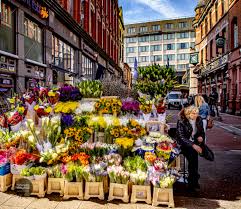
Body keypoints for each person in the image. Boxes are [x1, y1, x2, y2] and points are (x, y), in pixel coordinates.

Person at [176, 106, 205, 192]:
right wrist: (193, 145)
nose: (196, 115)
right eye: (194, 113)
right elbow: (181, 137)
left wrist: (201, 137)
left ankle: (193, 180)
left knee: (195, 155)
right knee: (193, 154)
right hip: (183, 144)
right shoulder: (182, 121)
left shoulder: (199, 120)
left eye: (197, 113)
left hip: (194, 144)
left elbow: (202, 132)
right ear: (188, 114)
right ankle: (193, 181)